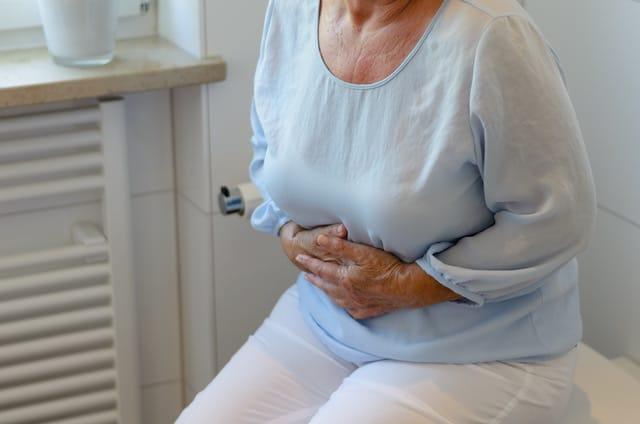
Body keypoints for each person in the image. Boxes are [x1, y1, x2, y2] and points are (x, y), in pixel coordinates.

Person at [177, 0, 596, 422]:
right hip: (324, 321)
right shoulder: (292, 10)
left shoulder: (492, 35)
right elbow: (270, 152)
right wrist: (292, 235)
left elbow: (555, 218)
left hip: (480, 351)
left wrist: (406, 283)